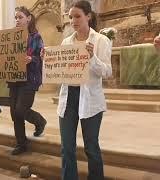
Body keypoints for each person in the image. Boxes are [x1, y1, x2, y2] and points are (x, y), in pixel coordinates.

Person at [57, 1, 112, 179]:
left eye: (77, 16)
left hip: (90, 99)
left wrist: (91, 57)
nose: (73, 20)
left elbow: (107, 72)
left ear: (88, 16)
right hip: (68, 98)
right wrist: (49, 61)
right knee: (67, 148)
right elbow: (61, 70)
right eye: (71, 17)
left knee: (91, 147)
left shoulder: (101, 40)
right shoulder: (66, 41)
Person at [8, 6, 47, 155]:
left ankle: (39, 121)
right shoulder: (11, 36)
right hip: (14, 78)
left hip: (30, 78)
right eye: (16, 17)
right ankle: (21, 143)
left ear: (28, 18)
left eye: (20, 17)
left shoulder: (35, 37)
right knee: (14, 112)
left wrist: (32, 58)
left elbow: (42, 56)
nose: (17, 20)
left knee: (20, 109)